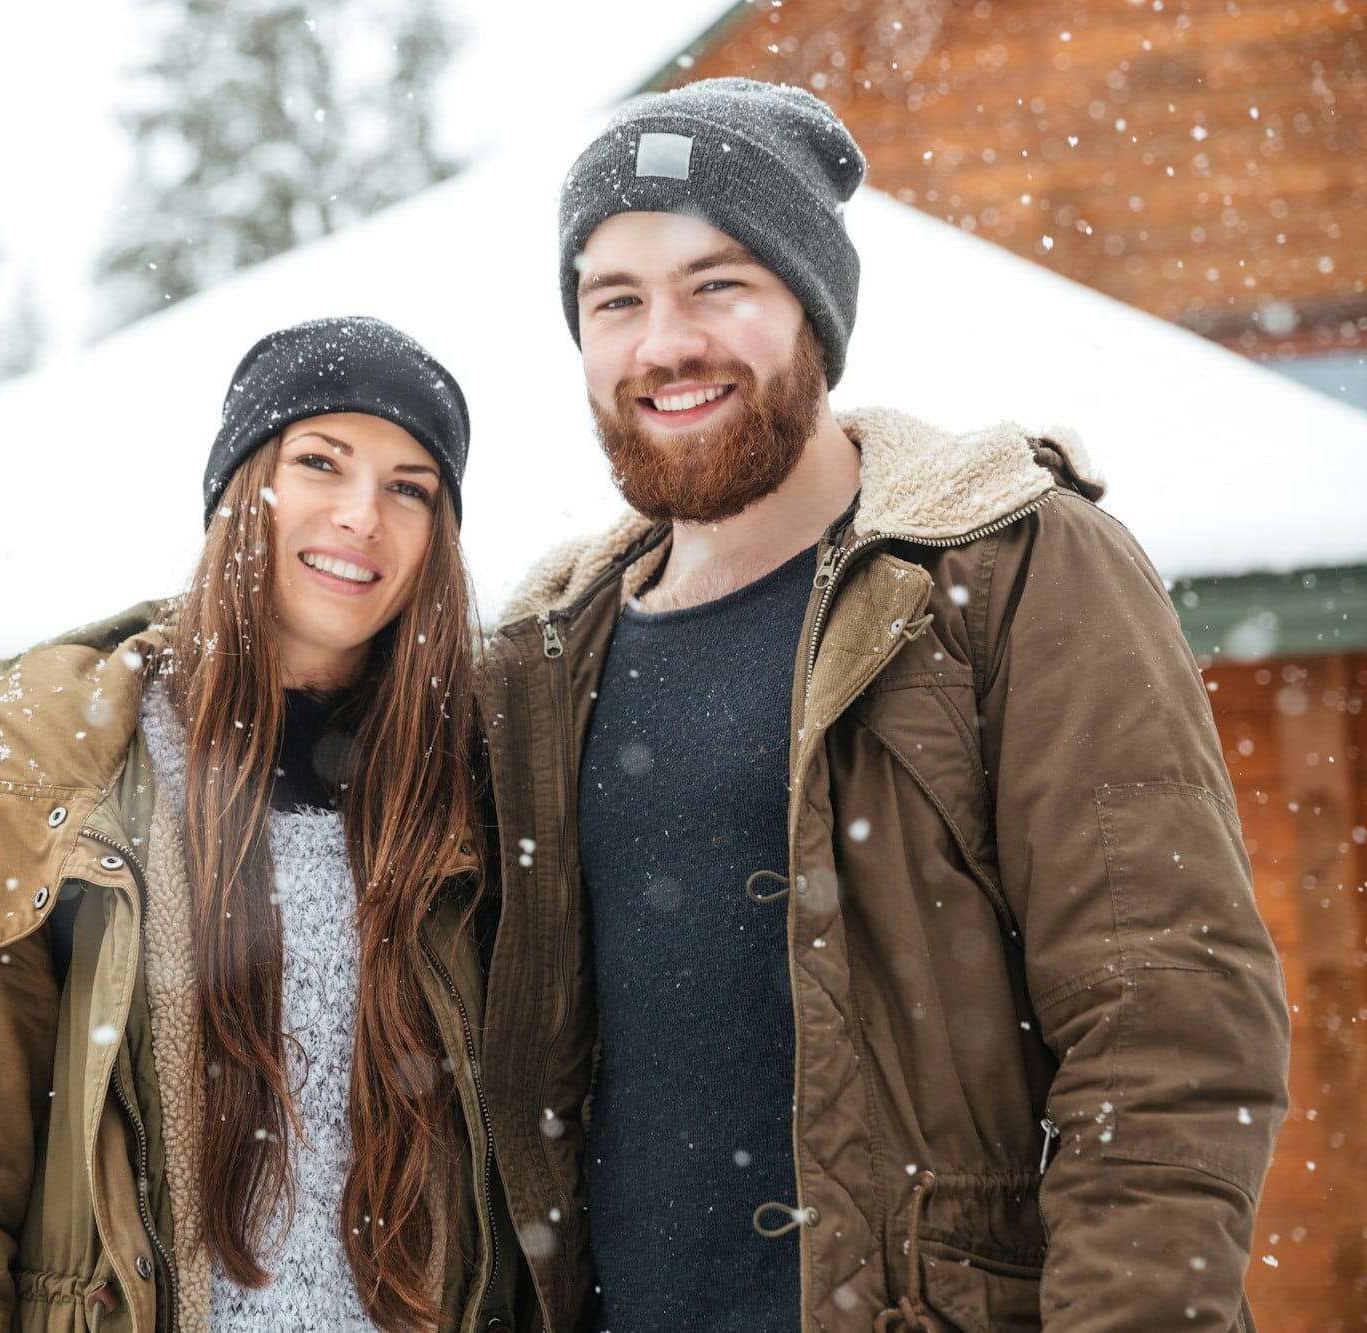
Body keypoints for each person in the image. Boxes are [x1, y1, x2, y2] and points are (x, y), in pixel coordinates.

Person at [478, 79, 1291, 1330]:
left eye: (718, 284)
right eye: (615, 300)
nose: (663, 343)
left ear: (812, 306)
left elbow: (1166, 1023)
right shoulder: (546, 655)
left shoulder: (1006, 572)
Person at [0, 316, 520, 1332]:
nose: (360, 515)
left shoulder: (481, 796)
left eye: (409, 486)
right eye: (319, 462)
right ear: (243, 491)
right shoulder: (45, 784)